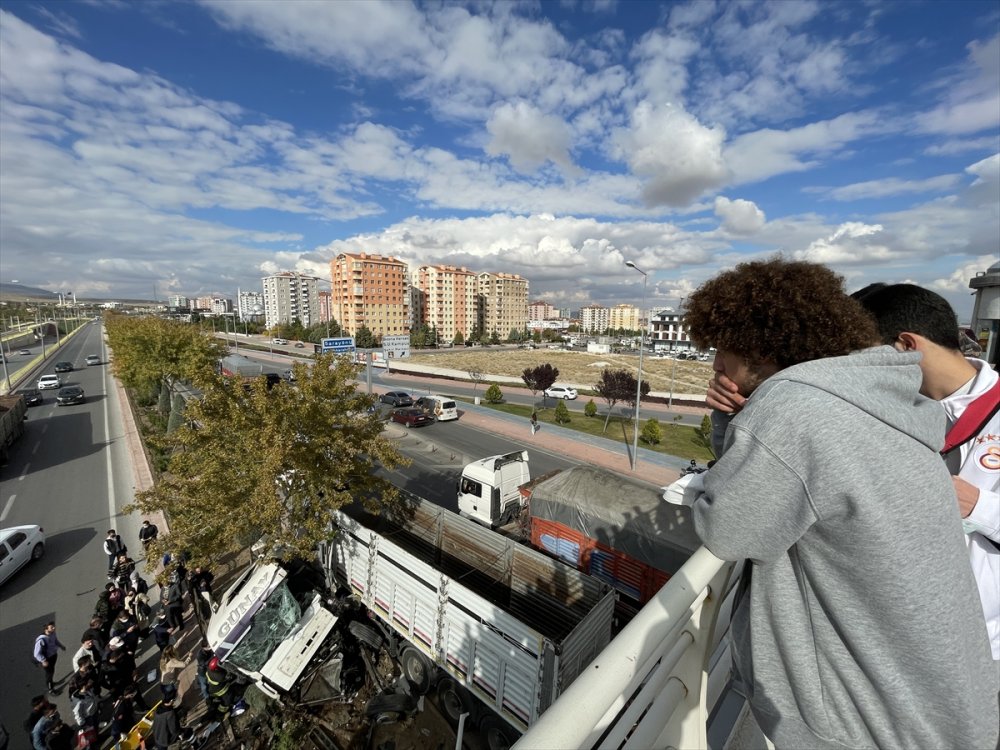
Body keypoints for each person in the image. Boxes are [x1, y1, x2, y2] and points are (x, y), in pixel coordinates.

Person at [683, 258, 997, 749]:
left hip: (870, 721)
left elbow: (729, 530)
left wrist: (707, 481)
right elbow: (780, 483)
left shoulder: (794, 404)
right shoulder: (885, 399)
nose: (716, 365)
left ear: (763, 346)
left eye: (720, 348)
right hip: (945, 703)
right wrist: (734, 421)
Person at [854, 282, 999, 659]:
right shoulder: (883, 411)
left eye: (866, 356)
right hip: (896, 633)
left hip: (981, 644)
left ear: (906, 345)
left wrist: (978, 506)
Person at [33, 622, 66, 694]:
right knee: (49, 674)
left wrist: (61, 646)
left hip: (53, 656)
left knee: (52, 671)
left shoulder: (53, 633)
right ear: (46, 629)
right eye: (52, 627)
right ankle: (51, 689)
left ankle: (51, 682)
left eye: (54, 626)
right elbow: (36, 654)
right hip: (47, 659)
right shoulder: (41, 640)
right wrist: (43, 660)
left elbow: (55, 641)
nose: (54, 628)